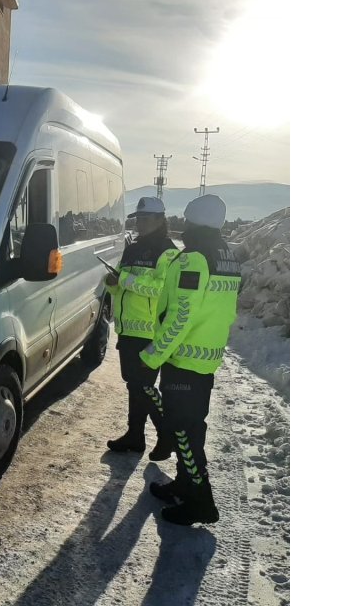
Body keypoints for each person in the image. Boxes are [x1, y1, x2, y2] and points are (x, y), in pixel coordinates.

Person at [136, 194, 242, 526]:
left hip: (184, 359)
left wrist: (152, 357)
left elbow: (181, 317)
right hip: (205, 358)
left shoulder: (194, 259)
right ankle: (184, 483)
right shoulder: (227, 257)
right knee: (192, 429)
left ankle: (201, 503)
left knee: (184, 432)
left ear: (193, 222)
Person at [104, 196, 176, 460]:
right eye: (139, 219)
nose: (141, 223)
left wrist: (124, 278)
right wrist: (112, 282)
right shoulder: (133, 247)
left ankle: (165, 434)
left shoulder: (168, 252)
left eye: (147, 219)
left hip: (149, 331)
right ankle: (135, 436)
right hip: (128, 329)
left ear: (160, 220)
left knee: (144, 387)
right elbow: (123, 285)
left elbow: (157, 289)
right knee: (134, 386)